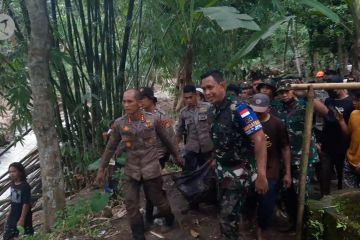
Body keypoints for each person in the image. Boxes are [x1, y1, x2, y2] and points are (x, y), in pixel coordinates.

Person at [96, 89, 183, 240]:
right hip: (131, 170)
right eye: (124, 101)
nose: (126, 105)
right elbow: (110, 147)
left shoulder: (153, 120)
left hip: (151, 167)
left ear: (139, 103)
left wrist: (177, 156)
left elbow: (168, 140)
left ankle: (170, 219)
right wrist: (102, 168)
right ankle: (138, 234)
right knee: (131, 204)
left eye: (130, 101)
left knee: (158, 200)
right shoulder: (119, 123)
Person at [201, 70, 268, 240]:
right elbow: (219, 139)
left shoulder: (240, 109)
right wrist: (216, 159)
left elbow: (259, 138)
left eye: (210, 87)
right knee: (226, 213)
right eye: (204, 89)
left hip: (239, 173)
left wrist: (261, 174)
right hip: (222, 172)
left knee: (226, 219)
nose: (207, 93)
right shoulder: (212, 111)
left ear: (222, 85)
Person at [275, 79, 319, 231]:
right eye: (281, 92)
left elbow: (326, 112)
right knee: (288, 193)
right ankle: (294, 223)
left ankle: (307, 225)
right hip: (285, 159)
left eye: (286, 91)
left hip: (303, 156)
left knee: (303, 193)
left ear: (292, 90)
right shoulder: (278, 108)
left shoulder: (304, 104)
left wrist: (307, 94)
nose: (284, 95)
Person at [248, 94, 291, 240]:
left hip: (271, 169)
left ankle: (262, 228)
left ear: (269, 108)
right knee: (249, 198)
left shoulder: (277, 124)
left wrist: (287, 173)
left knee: (267, 202)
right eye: (254, 111)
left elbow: (285, 148)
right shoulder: (247, 123)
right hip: (250, 169)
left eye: (261, 110)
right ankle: (249, 220)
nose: (258, 114)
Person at [139, 87, 173, 224]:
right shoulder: (140, 116)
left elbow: (170, 137)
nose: (140, 102)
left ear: (150, 99)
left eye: (142, 99)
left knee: (151, 188)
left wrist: (170, 155)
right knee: (152, 188)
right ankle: (157, 215)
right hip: (144, 157)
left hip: (158, 155)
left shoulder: (161, 116)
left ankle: (161, 217)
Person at [318, 74, 354, 195]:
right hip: (328, 145)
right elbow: (326, 122)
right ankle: (324, 199)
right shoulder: (328, 100)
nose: (331, 91)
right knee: (325, 174)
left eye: (333, 88)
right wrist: (320, 141)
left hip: (344, 146)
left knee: (343, 177)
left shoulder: (351, 103)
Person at [176, 85, 213, 171]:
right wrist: (176, 150)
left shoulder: (208, 107)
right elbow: (179, 131)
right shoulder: (183, 112)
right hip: (191, 148)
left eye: (190, 97)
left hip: (207, 147)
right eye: (186, 98)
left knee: (208, 174)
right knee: (189, 173)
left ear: (196, 95)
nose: (188, 100)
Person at [4, 162, 34, 240]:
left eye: (14, 171)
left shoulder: (25, 186)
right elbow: (13, 201)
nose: (11, 174)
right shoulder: (13, 184)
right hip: (14, 215)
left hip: (22, 215)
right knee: (8, 235)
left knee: (21, 235)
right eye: (10, 172)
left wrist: (22, 219)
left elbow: (26, 204)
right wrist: (10, 212)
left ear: (20, 172)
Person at [337, 89, 360, 188]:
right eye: (354, 100)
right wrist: (341, 121)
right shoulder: (354, 114)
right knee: (349, 194)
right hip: (350, 160)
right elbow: (349, 133)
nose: (354, 103)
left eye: (357, 100)